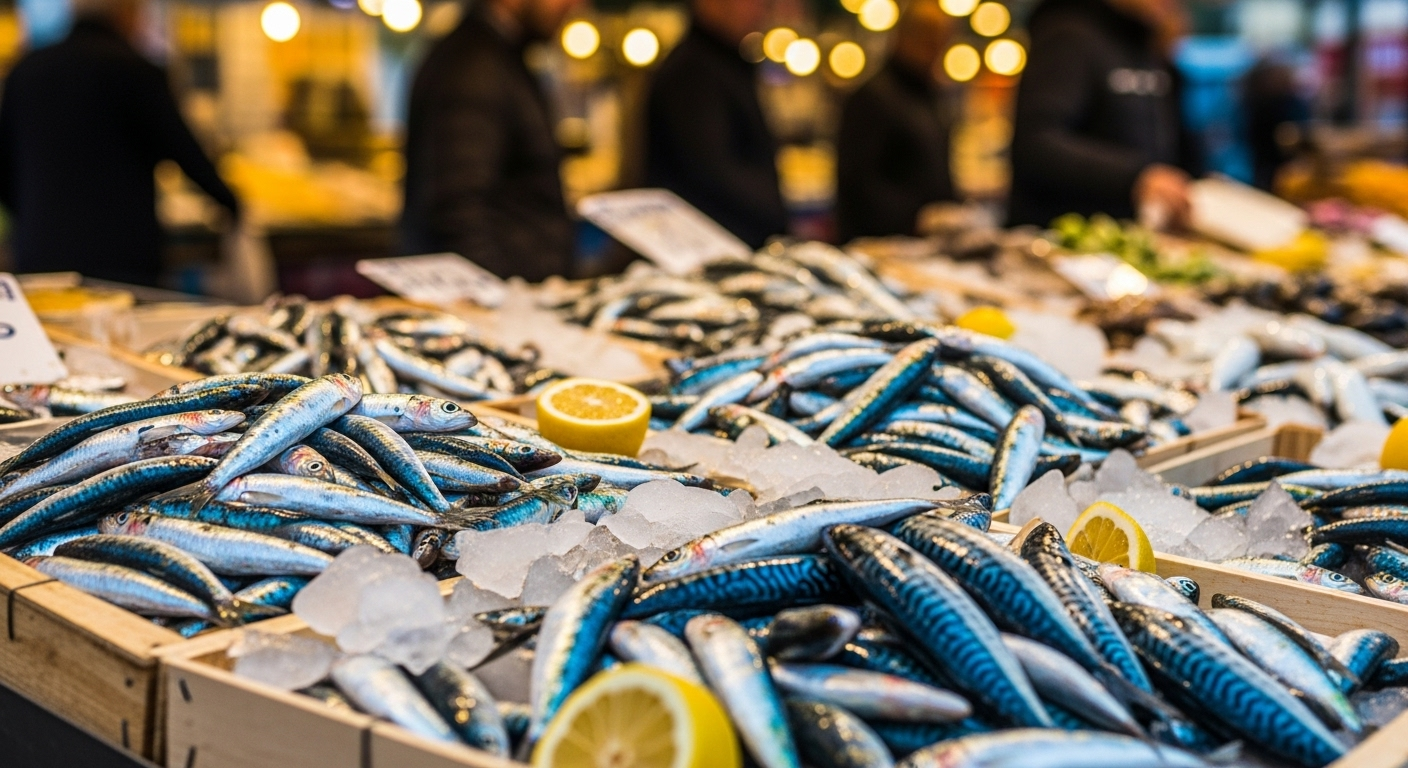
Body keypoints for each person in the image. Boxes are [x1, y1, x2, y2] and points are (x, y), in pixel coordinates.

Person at [0, 0, 240, 287]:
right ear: (126, 14)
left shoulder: (26, 71)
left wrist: (33, 218)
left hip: (41, 252)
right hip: (121, 257)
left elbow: (4, 167)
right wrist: (232, 205)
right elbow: (187, 154)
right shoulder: (136, 71)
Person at [399, 0, 581, 281]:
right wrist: (504, 305)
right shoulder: (473, 65)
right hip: (497, 309)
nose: (577, 4)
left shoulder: (498, 54)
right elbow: (456, 211)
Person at [1007, 0, 1199, 228]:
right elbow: (1037, 144)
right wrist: (1135, 178)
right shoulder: (1067, 33)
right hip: (1060, 239)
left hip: (1132, 238)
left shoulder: (1149, 44)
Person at [645, 0, 786, 248]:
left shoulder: (724, 61)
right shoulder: (692, 72)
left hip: (735, 244)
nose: (760, 9)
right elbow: (713, 173)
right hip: (708, 249)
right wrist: (775, 213)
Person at [836, 0, 957, 241]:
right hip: (883, 245)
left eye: (940, 41)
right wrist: (917, 220)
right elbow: (860, 185)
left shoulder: (927, 94)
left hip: (931, 245)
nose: (935, 50)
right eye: (927, 39)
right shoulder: (871, 97)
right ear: (903, 36)